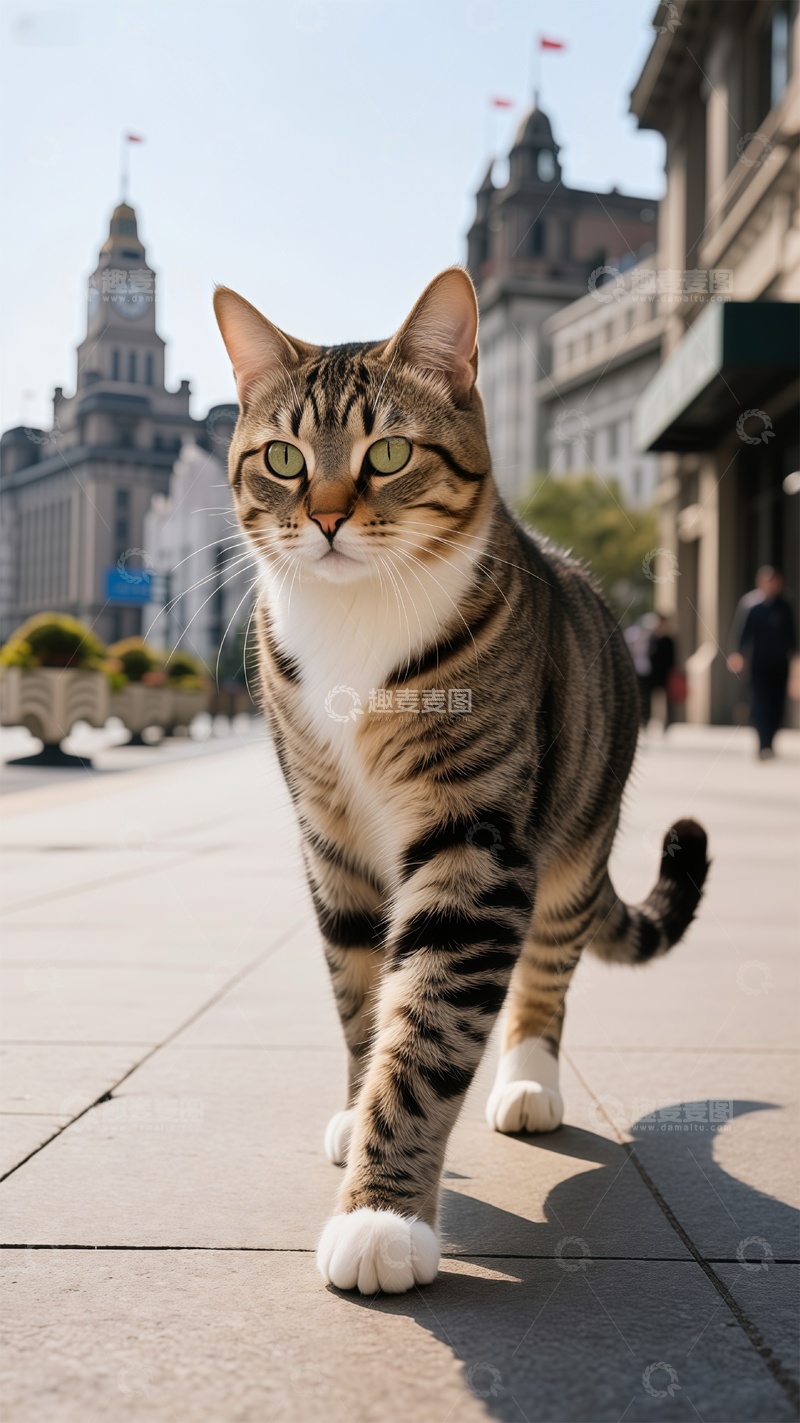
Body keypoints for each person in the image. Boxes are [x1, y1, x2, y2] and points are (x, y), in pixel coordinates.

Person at [728, 567, 796, 758]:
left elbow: (793, 637)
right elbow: (741, 634)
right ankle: (762, 742)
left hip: (780, 664)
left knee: (777, 704)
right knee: (760, 703)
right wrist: (736, 655)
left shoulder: (785, 605)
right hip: (757, 664)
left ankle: (770, 741)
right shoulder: (751, 605)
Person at [648, 614, 676, 730]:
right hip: (652, 673)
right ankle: (650, 719)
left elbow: (672, 658)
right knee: (651, 697)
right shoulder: (652, 638)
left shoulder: (669, 639)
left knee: (666, 699)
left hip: (665, 673)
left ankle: (667, 722)